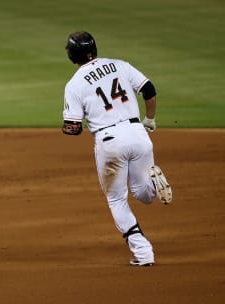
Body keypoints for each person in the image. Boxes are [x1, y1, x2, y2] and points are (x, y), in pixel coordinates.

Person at [61, 31, 172, 266]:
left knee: (117, 200)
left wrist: (72, 127)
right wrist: (150, 120)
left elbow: (72, 127)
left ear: (72, 55)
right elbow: (149, 89)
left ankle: (143, 253)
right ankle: (154, 182)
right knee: (144, 196)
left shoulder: (74, 84)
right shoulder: (120, 65)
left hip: (110, 143)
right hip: (139, 135)